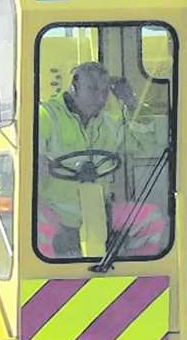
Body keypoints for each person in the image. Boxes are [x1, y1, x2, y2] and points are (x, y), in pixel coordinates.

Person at [35, 61, 164, 257]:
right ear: (74, 87)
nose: (101, 97)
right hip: (55, 212)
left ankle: (132, 279)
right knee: (34, 226)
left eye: (105, 91)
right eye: (93, 89)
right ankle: (46, 282)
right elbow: (30, 157)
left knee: (151, 219)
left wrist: (131, 103)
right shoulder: (46, 116)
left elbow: (146, 144)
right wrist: (40, 159)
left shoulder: (108, 125)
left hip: (99, 212)